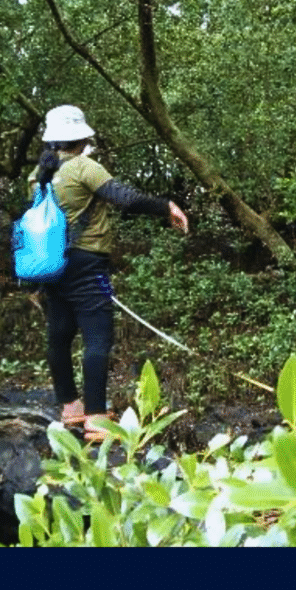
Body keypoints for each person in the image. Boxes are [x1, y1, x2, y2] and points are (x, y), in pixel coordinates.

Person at [31, 105, 188, 440]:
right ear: (83, 136)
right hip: (86, 263)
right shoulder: (83, 167)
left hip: (50, 265)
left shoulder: (41, 173)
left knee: (59, 334)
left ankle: (70, 409)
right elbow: (125, 199)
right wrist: (166, 206)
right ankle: (97, 418)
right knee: (97, 337)